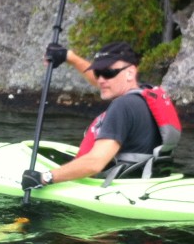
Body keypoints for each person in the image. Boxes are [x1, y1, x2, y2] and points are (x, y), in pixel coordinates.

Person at [21, 41, 181, 189]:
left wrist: (45, 177)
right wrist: (69, 57)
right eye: (98, 73)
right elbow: (104, 80)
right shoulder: (145, 96)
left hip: (122, 189)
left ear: (130, 73)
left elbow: (95, 163)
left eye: (108, 72)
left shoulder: (122, 106)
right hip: (148, 180)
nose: (101, 80)